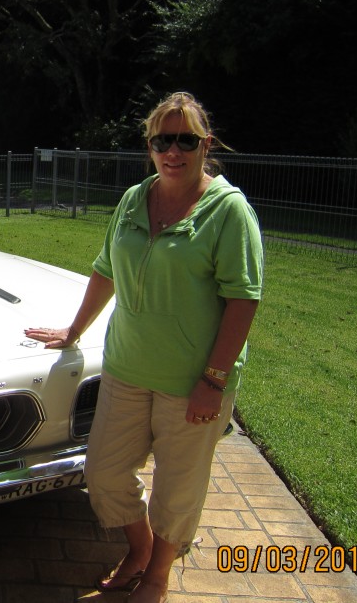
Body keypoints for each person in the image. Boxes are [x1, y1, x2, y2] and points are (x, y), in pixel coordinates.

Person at [24, 92, 263, 603]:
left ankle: (157, 574)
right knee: (105, 472)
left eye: (185, 140)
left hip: (192, 380)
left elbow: (243, 300)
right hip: (128, 369)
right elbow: (106, 269)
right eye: (162, 141)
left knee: (177, 490)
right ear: (150, 146)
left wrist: (214, 381)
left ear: (206, 145)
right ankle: (141, 546)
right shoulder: (136, 198)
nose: (172, 151)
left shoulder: (228, 211)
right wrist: (73, 330)